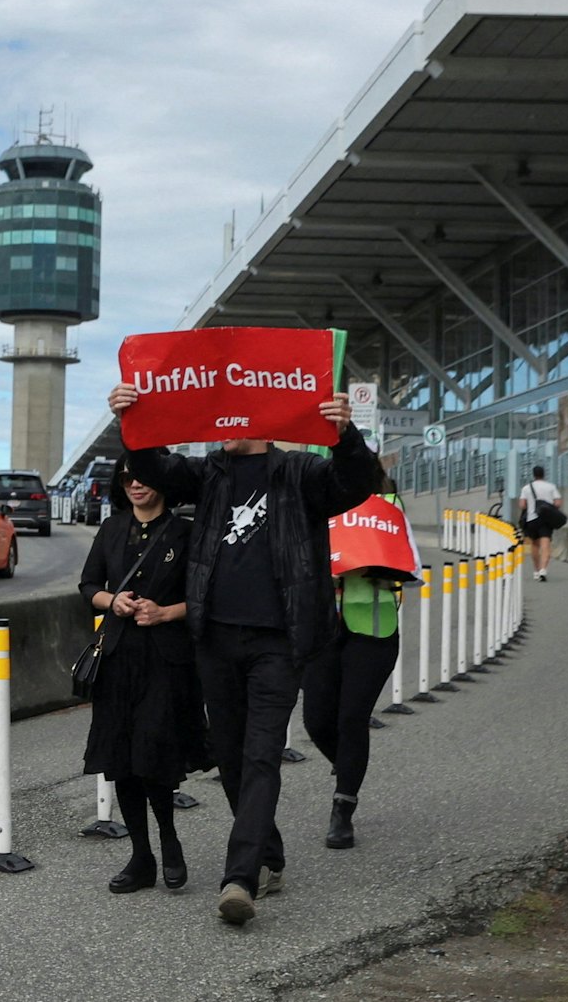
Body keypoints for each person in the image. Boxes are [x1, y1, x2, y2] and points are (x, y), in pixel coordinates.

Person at [108, 383, 378, 928]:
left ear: (266, 422)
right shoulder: (207, 475)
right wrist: (131, 420)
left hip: (279, 642)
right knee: (230, 758)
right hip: (215, 640)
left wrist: (346, 435)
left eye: (236, 417)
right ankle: (269, 855)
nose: (222, 425)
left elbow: (357, 483)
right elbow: (153, 466)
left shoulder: (300, 473)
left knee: (260, 755)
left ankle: (240, 879)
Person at [76, 456, 210, 892]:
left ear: (163, 481)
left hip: (165, 662)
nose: (136, 484)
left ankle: (170, 841)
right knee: (121, 760)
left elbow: (208, 597)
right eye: (128, 477)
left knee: (154, 755)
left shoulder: (186, 532)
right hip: (117, 658)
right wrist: (111, 601)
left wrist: (165, 612)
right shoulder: (112, 528)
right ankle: (141, 855)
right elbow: (87, 586)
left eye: (144, 476)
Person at [301, 470, 412, 850]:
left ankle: (343, 809)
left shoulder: (391, 508)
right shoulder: (315, 505)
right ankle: (347, 765)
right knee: (316, 719)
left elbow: (406, 565)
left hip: (373, 630)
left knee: (351, 717)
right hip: (322, 630)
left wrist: (372, 564)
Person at [516, 464, 562, 580]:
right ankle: (543, 570)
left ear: (534, 475)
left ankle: (536, 570)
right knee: (545, 545)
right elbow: (558, 503)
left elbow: (522, 505)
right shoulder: (551, 487)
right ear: (544, 474)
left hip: (532, 519)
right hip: (546, 520)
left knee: (535, 545)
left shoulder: (526, 488)